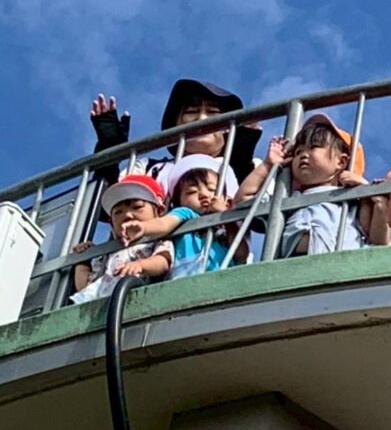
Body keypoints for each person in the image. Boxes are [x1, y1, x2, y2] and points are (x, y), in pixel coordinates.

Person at [89, 79, 262, 192]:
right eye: (191, 112)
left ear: (227, 128)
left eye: (213, 113)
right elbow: (108, 207)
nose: (202, 119)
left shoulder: (253, 166)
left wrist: (240, 162)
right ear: (176, 124)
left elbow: (260, 218)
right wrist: (109, 149)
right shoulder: (149, 168)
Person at [117, 154, 249, 278]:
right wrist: (144, 227)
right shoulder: (186, 213)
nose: (204, 194)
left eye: (211, 189)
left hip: (223, 279)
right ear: (179, 201)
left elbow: (241, 255)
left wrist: (226, 218)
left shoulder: (227, 228)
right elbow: (164, 224)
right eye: (192, 191)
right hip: (184, 280)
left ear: (226, 201)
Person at [274, 114, 368, 257]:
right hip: (292, 265)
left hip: (337, 263)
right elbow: (244, 199)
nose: (303, 155)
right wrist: (268, 165)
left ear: (341, 162)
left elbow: (376, 233)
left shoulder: (351, 200)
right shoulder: (290, 197)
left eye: (314, 147)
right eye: (298, 152)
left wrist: (367, 191)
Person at [70, 176, 174, 304]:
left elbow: (163, 262)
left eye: (137, 207)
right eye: (118, 212)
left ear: (159, 211)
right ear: (111, 223)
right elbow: (85, 287)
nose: (127, 215)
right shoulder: (108, 252)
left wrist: (141, 265)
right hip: (103, 308)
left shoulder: (157, 239)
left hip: (141, 301)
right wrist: (82, 261)